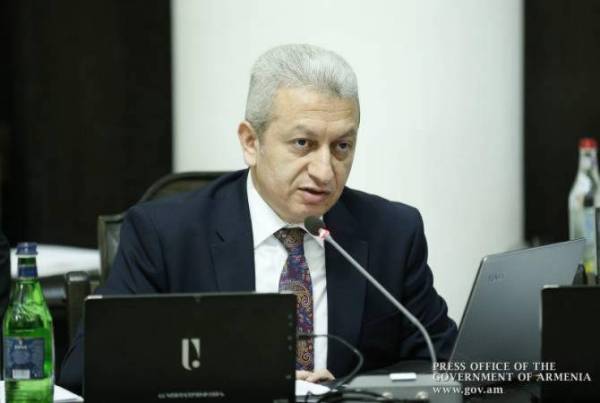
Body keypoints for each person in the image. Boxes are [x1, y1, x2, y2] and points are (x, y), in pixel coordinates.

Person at [59, 44, 457, 393]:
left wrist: (346, 389)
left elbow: (446, 364)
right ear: (251, 142)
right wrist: (244, 381)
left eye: (341, 146)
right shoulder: (166, 235)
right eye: (303, 143)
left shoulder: (392, 233)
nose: (324, 171)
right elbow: (83, 372)